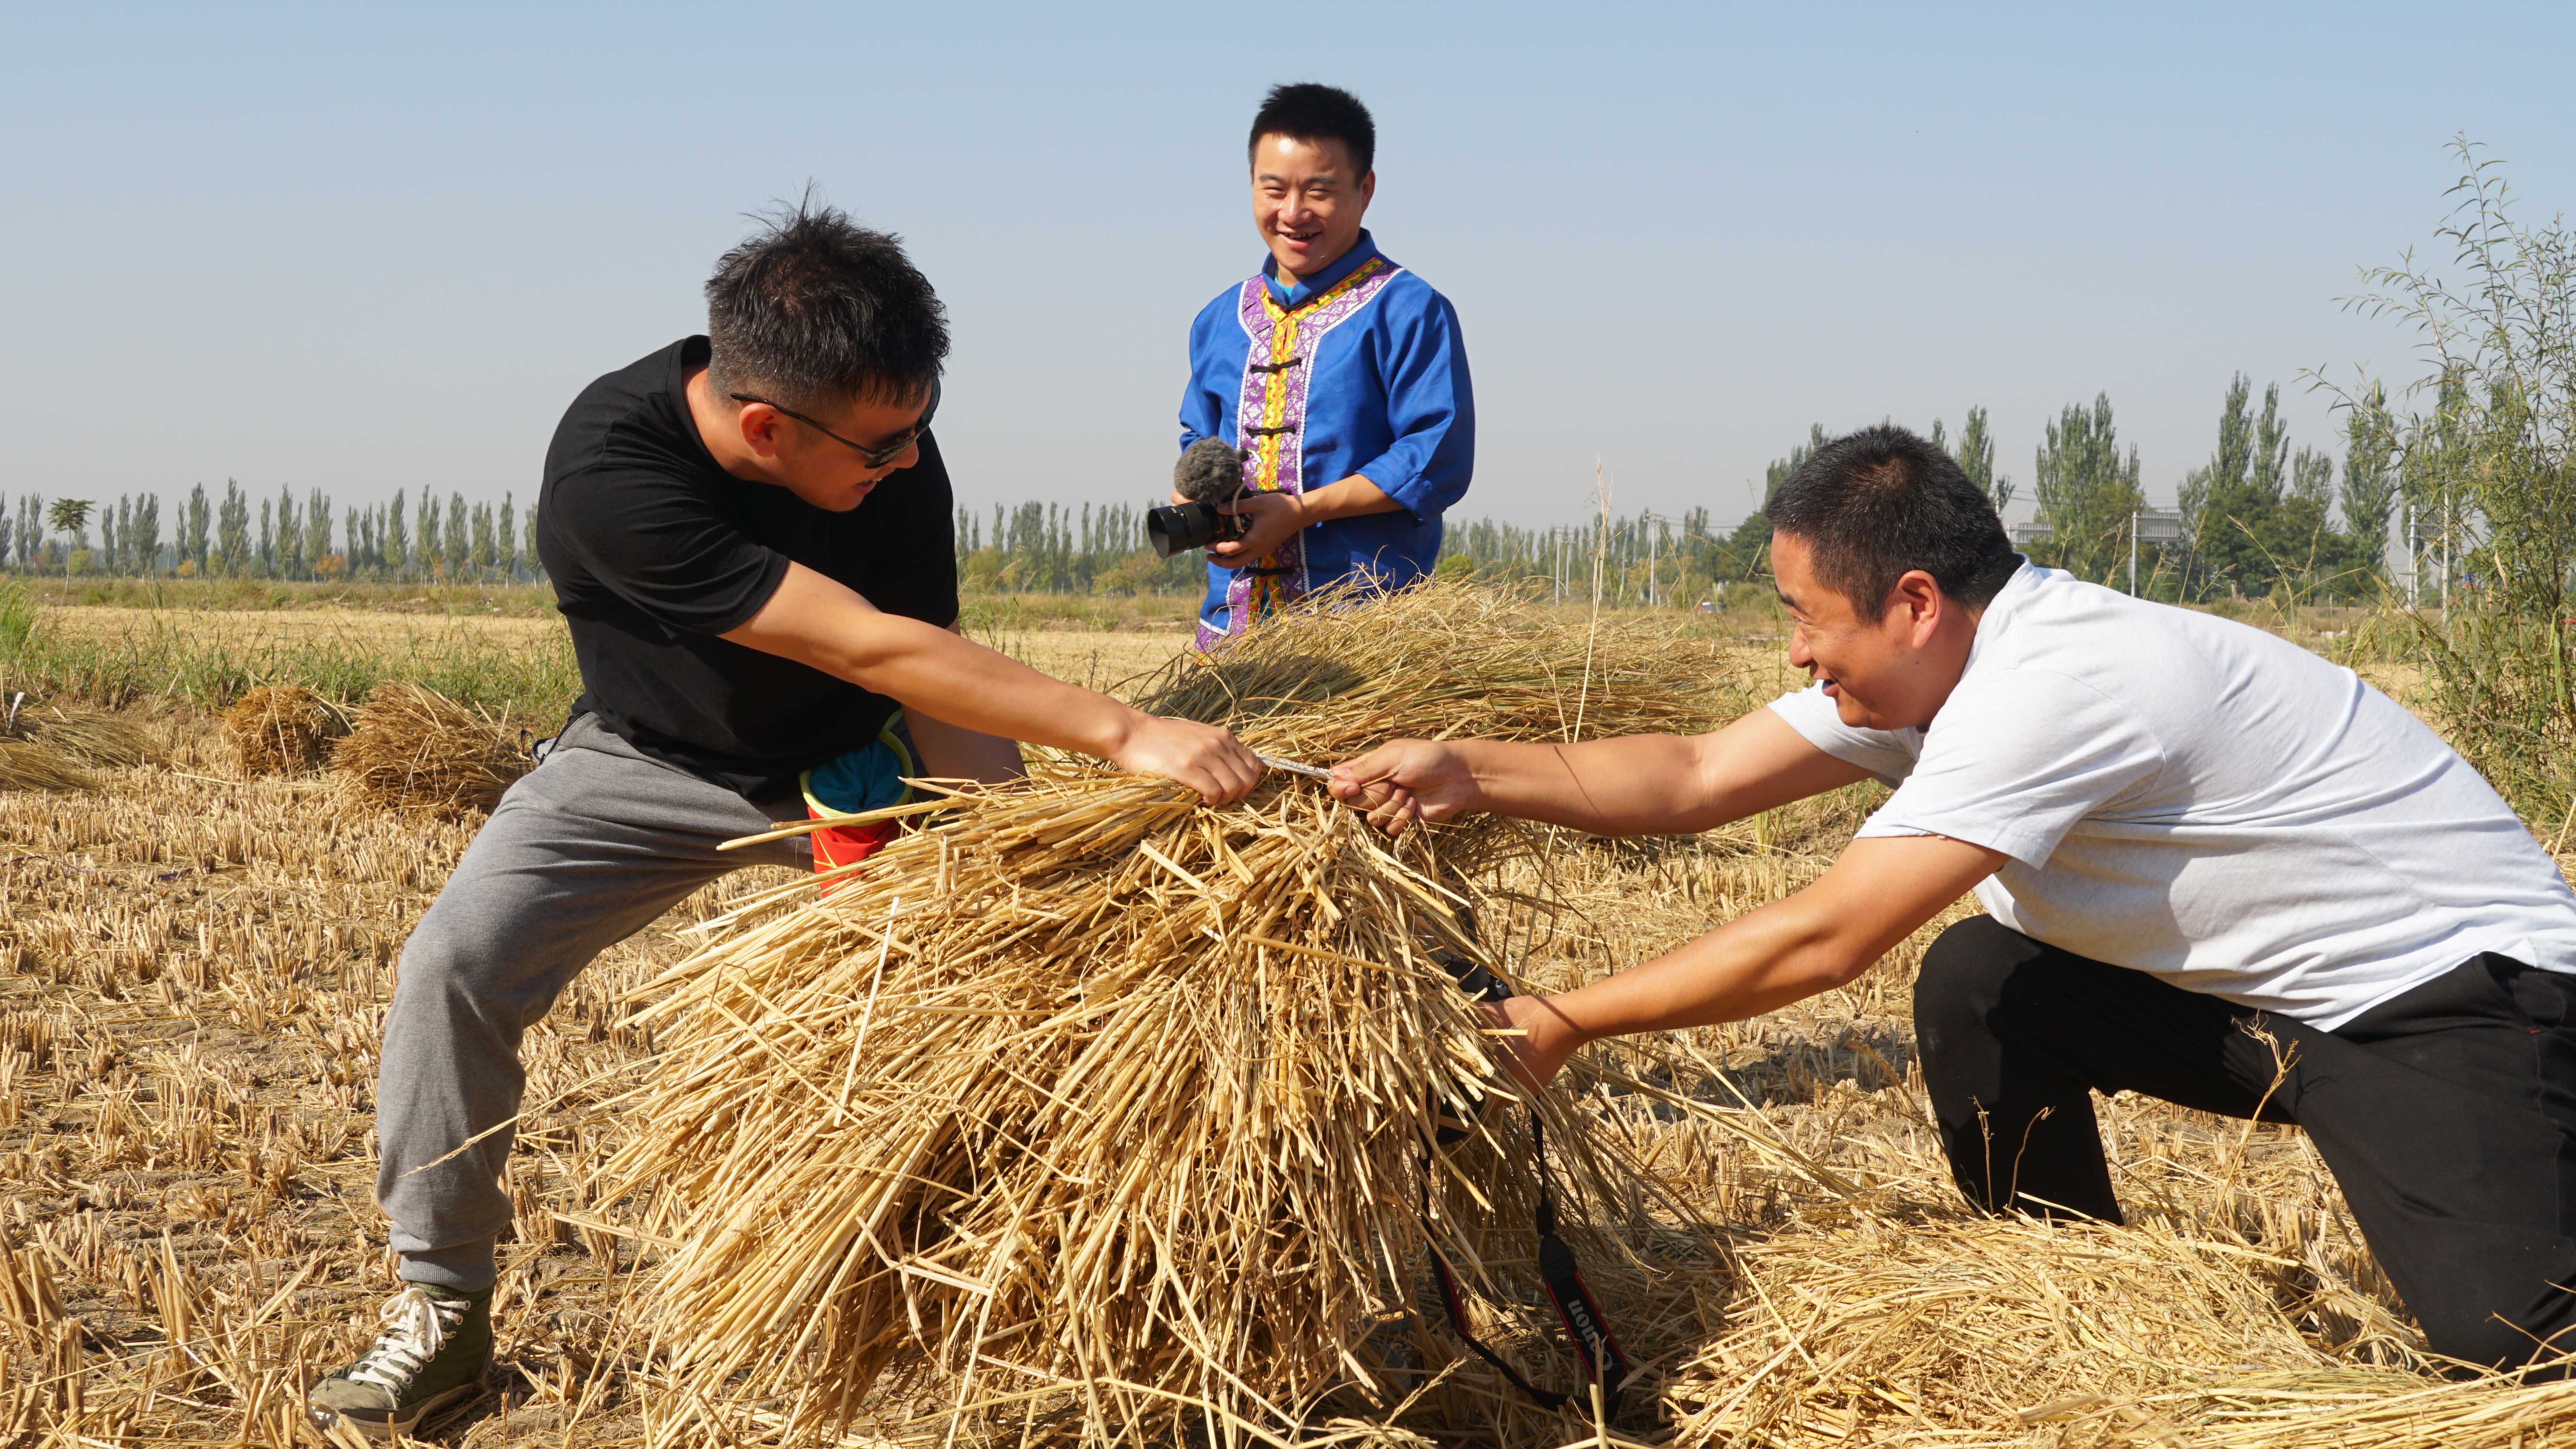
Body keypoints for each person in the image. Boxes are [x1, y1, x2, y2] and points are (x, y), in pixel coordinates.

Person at [1330, 424, 2576, 1376]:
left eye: (1807, 619)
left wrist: (1566, 1020)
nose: (1795, 652)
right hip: (2267, 1001)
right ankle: (2080, 1301)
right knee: (1986, 980)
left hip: (2453, 1002)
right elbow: (1698, 774)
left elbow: (1830, 937)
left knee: (2521, 1355)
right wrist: (1469, 771)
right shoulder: (1940, 669)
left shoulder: (2053, 685)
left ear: (1915, 602)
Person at [307, 203, 1265, 1439]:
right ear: (767, 427)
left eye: (920, 425)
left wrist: (1019, 873)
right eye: (883, 444)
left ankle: (1056, 1289)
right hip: (649, 761)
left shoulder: (891, 444)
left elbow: (923, 668)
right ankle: (444, 1308)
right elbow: (862, 638)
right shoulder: (614, 473)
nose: (908, 461)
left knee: (1009, 983)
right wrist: (1128, 733)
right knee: (453, 965)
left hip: (860, 758)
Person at [1176, 82, 1473, 648]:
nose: (1293, 213)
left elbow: (1436, 455)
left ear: (1366, 190)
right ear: (1251, 185)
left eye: (1319, 191)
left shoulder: (1409, 309)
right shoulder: (1219, 321)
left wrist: (1300, 511)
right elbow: (1199, 438)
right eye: (1274, 190)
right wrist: (1193, 493)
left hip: (1365, 639)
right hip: (1232, 636)